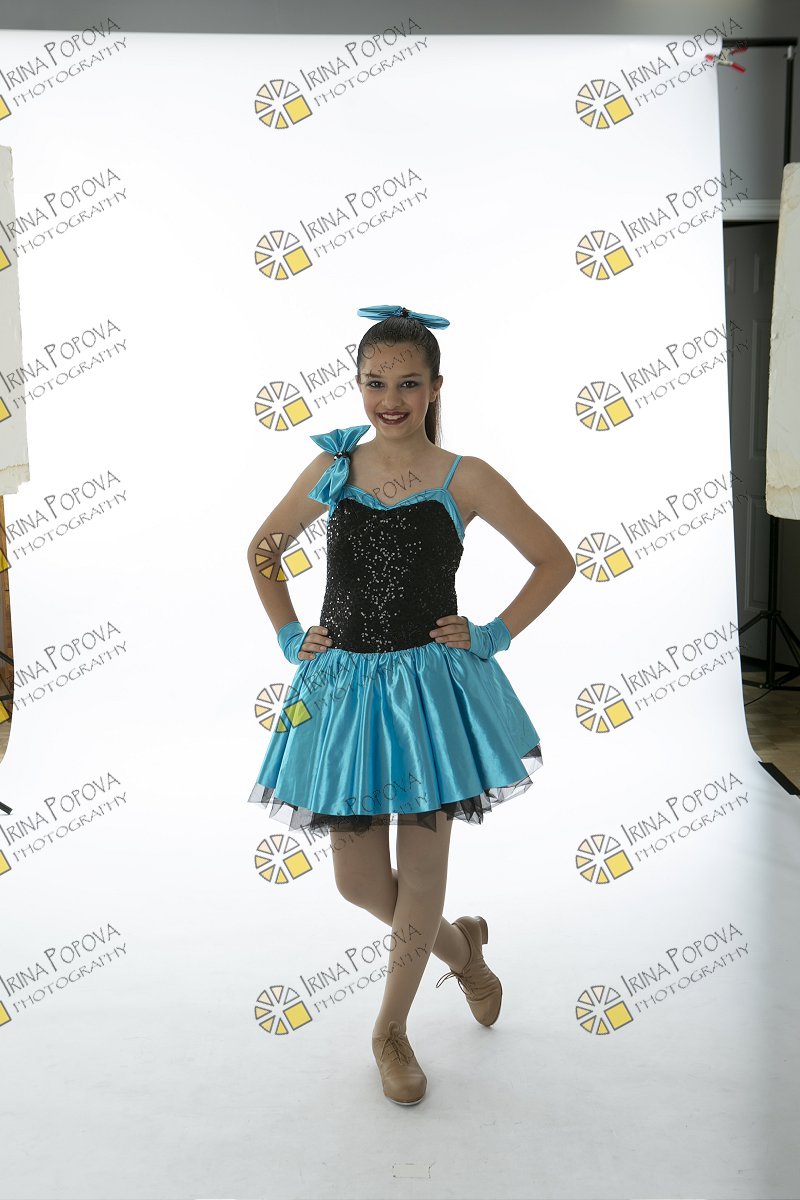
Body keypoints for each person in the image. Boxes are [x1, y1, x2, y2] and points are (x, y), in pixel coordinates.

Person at [246, 304, 576, 1106]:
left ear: (435, 387)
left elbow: (555, 561)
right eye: (375, 382)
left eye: (407, 383)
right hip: (345, 694)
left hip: (430, 694)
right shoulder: (335, 468)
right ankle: (465, 952)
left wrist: (492, 634)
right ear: (358, 384)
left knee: (422, 873)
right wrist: (289, 634)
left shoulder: (467, 477)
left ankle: (390, 1031)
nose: (389, 399)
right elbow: (263, 549)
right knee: (360, 882)